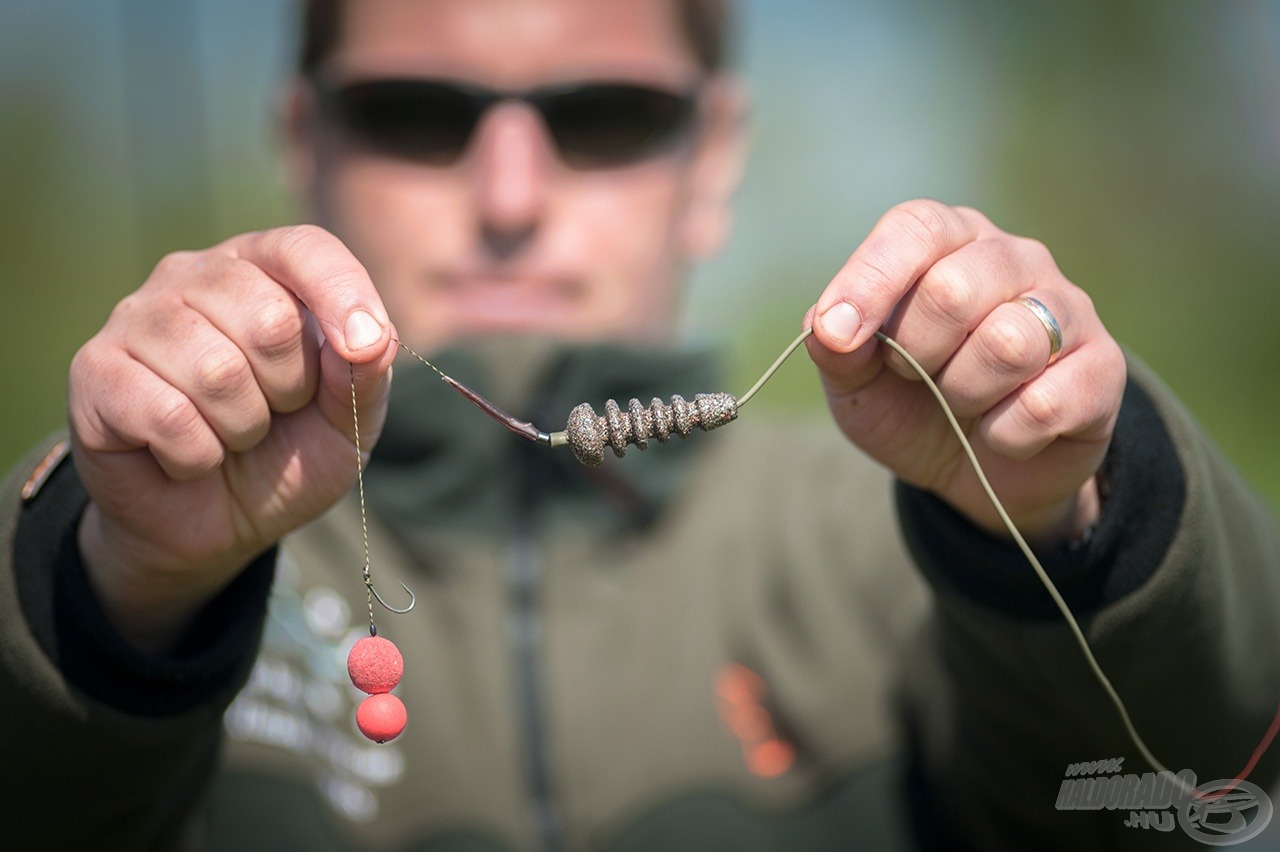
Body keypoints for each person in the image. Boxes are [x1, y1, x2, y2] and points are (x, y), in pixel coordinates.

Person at [2, 0, 1278, 849]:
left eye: (602, 117)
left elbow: (1210, 806)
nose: (510, 197)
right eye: (418, 115)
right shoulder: (129, 540)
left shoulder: (904, 547)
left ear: (710, 162)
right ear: (306, 138)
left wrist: (1081, 521)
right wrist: (120, 594)